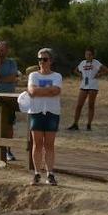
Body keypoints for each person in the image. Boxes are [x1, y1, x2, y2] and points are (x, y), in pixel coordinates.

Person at [26, 48, 63, 185]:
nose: (42, 62)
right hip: (36, 111)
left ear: (51, 61)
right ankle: (36, 173)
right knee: (37, 143)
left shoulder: (57, 76)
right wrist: (48, 90)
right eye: (39, 59)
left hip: (52, 112)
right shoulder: (33, 75)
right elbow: (32, 91)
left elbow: (56, 91)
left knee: (49, 144)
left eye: (45, 59)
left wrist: (39, 91)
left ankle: (50, 173)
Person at [0, 41, 20, 162]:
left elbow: (13, 77)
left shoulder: (12, 63)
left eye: (1, 49)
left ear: (7, 50)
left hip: (9, 97)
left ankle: (8, 151)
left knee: (9, 125)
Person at [68, 48, 108, 131]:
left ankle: (89, 124)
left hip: (93, 86)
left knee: (91, 105)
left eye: (90, 54)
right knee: (79, 105)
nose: (88, 56)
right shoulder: (82, 63)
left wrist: (99, 74)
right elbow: (75, 70)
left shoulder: (96, 62)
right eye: (86, 54)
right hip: (84, 85)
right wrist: (80, 75)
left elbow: (107, 70)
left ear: (93, 55)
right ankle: (75, 124)